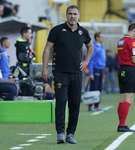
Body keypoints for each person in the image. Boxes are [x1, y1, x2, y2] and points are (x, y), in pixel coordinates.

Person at [42, 5, 94, 144]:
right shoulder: (57, 30)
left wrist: (86, 60)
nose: (72, 16)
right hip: (60, 73)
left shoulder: (83, 32)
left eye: (75, 14)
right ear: (66, 15)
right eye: (70, 13)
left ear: (79, 16)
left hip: (77, 74)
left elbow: (90, 46)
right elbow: (47, 50)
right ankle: (60, 133)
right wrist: (45, 68)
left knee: (75, 104)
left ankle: (71, 134)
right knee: (61, 102)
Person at [88, 32, 106, 112]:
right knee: (93, 88)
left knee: (99, 88)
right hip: (95, 69)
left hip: (100, 69)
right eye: (101, 36)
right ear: (97, 38)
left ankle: (97, 105)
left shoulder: (101, 46)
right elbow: (91, 60)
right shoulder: (94, 46)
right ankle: (90, 106)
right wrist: (91, 73)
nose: (103, 38)